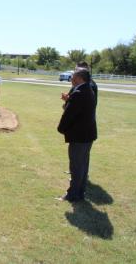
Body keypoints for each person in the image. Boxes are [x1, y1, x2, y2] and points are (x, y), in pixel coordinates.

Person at [57, 69, 97, 202]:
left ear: (79, 78)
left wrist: (61, 128)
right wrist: (69, 100)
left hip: (80, 136)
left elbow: (69, 114)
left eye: (73, 76)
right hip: (87, 135)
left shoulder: (79, 92)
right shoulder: (87, 89)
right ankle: (79, 192)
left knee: (76, 166)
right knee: (82, 166)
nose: (71, 78)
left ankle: (73, 195)